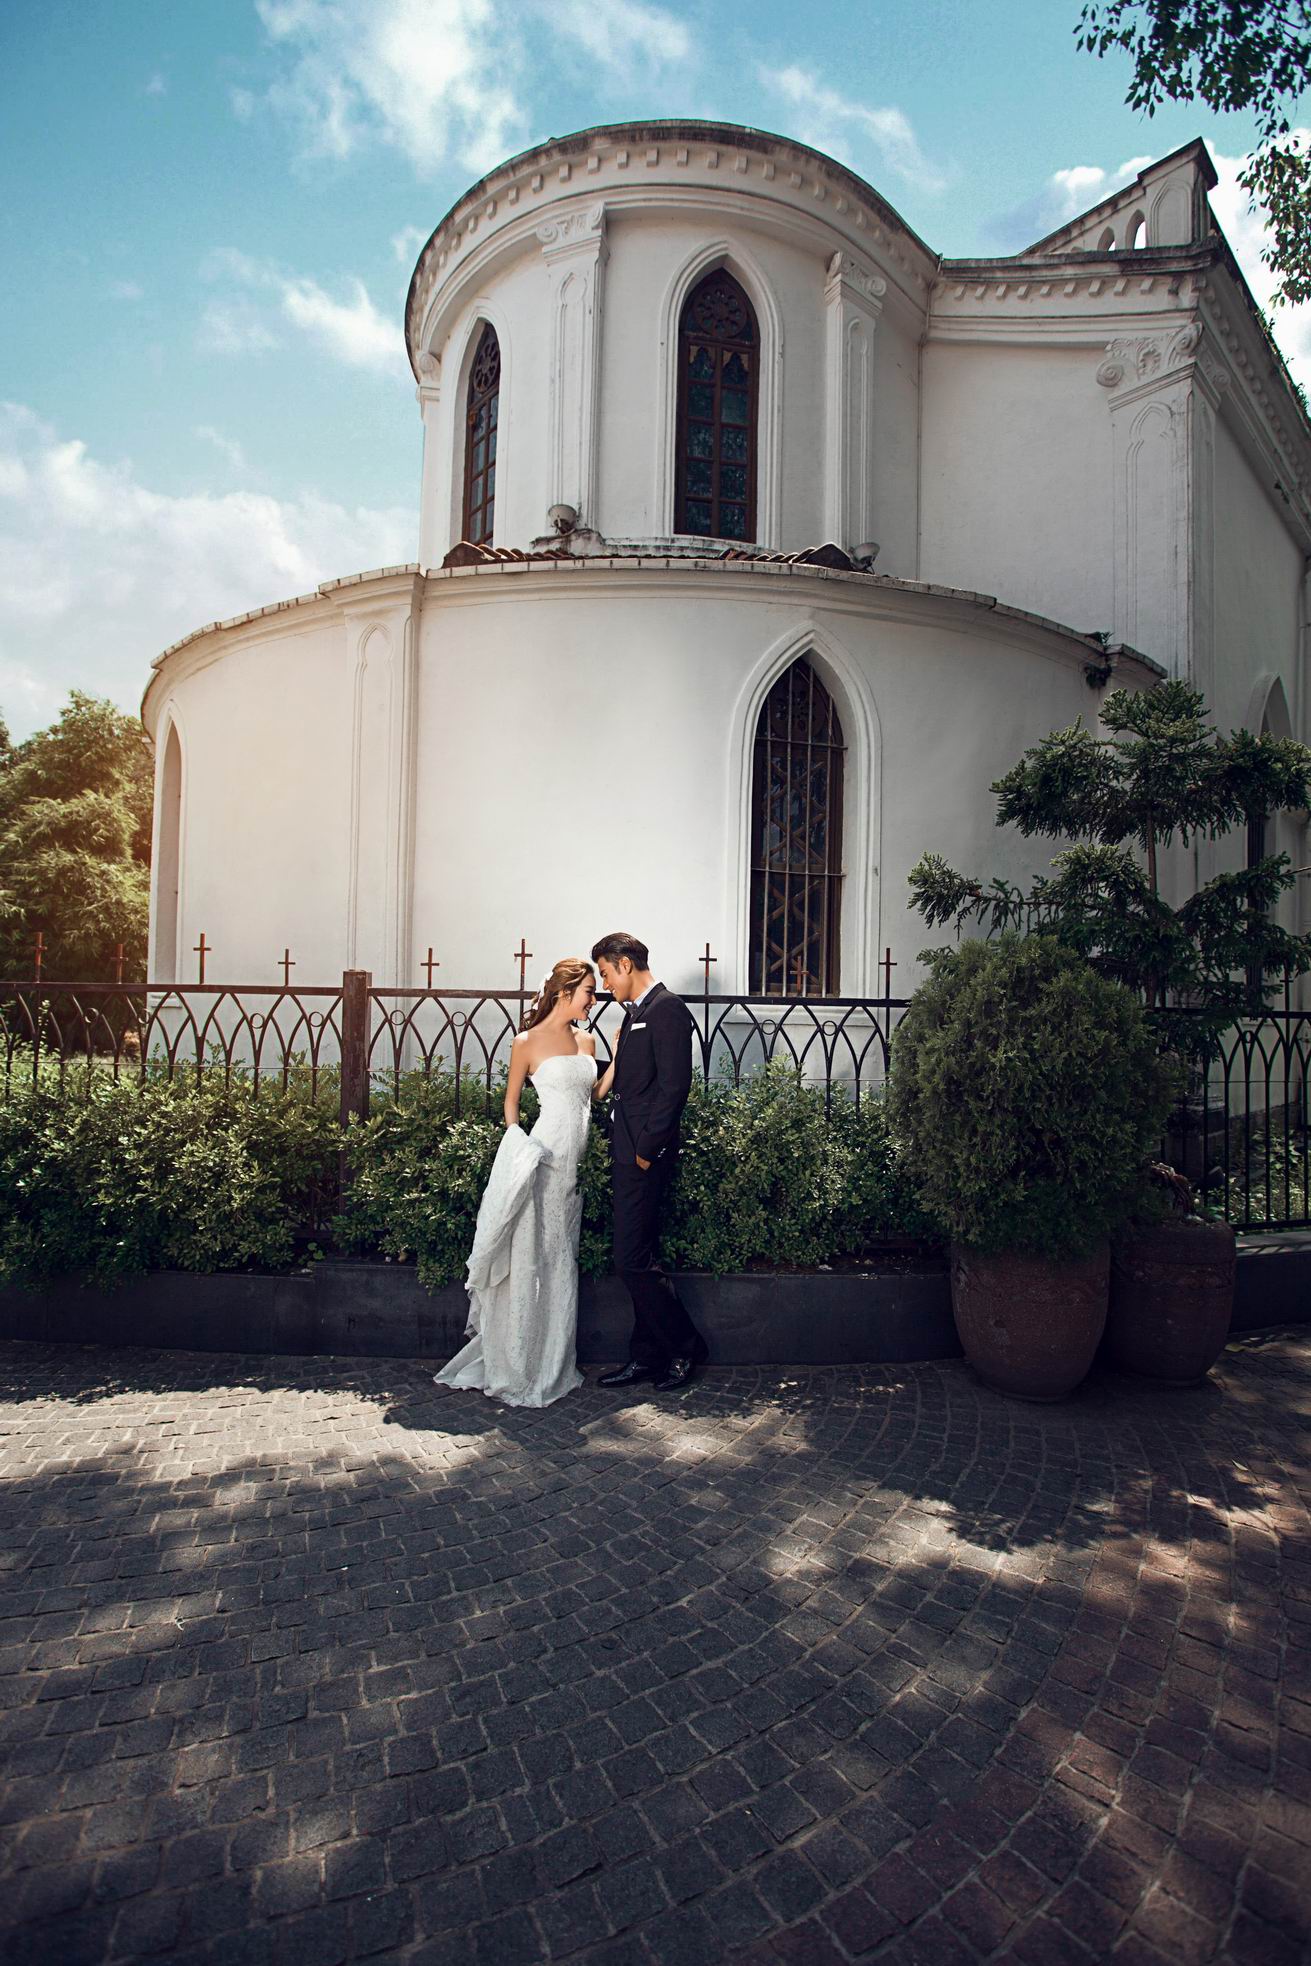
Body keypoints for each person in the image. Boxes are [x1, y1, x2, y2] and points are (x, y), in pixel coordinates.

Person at [433, 957, 608, 1409]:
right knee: (532, 1260)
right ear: (565, 992)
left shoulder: (587, 1040)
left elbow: (591, 1096)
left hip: (575, 1166)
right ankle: (520, 1364)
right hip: (542, 1161)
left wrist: (621, 1058)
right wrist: (519, 1145)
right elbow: (511, 1104)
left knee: (562, 1260)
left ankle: (555, 1363)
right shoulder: (525, 1042)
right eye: (589, 991)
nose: (594, 999)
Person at [590, 931, 709, 1391]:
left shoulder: (667, 1009)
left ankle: (686, 1346)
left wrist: (645, 1151)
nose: (605, 984)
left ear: (625, 964)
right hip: (626, 1149)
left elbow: (674, 1088)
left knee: (630, 1259)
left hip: (643, 1154)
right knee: (639, 1255)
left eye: (605, 973)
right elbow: (633, 1083)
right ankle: (647, 1355)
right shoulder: (635, 1014)